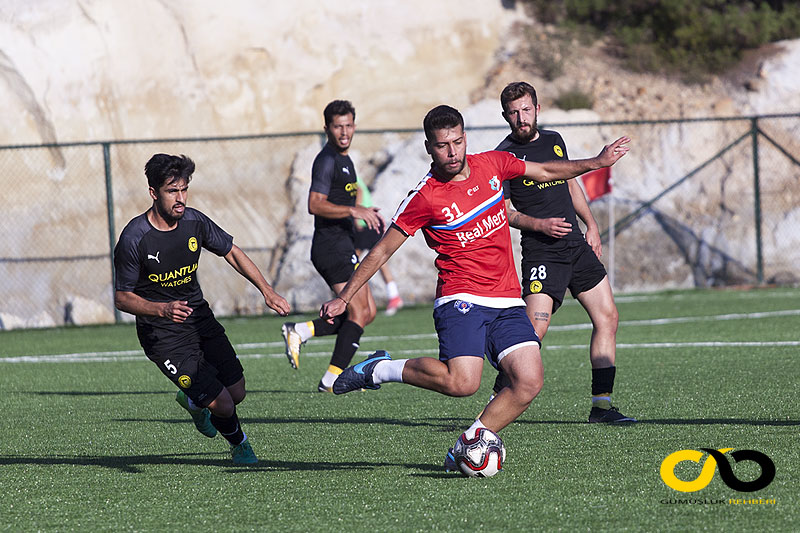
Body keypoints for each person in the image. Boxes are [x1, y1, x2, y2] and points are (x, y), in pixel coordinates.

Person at [320, 105, 629, 470]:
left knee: (529, 382)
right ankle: (381, 369)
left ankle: (469, 443)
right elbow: (383, 248)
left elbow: (546, 170)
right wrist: (345, 296)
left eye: (457, 141)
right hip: (460, 296)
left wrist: (595, 161)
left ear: (465, 138)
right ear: (428, 148)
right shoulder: (425, 196)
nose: (452, 152)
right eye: (442, 145)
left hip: (507, 300)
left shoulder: (493, 164)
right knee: (462, 383)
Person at [113, 153, 290, 465]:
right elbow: (122, 298)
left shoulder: (194, 222)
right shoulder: (134, 238)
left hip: (199, 319)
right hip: (163, 334)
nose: (180, 199)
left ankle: (194, 402)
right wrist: (162, 309)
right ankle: (240, 445)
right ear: (154, 193)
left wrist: (267, 290)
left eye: (184, 190)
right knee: (223, 404)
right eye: (172, 191)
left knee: (237, 393)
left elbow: (231, 252)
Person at [487, 81, 635, 424]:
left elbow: (571, 182)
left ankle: (601, 406)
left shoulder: (554, 141)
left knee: (607, 317)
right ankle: (499, 396)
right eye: (514, 113)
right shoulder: (503, 156)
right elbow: (504, 212)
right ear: (506, 116)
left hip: (575, 248)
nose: (521, 118)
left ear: (537, 109)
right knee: (532, 333)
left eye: (526, 110)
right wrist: (539, 225)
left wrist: (592, 224)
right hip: (542, 254)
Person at [281, 100, 384, 392]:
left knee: (368, 312)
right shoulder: (326, 160)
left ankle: (302, 330)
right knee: (359, 312)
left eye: (349, 125)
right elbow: (315, 204)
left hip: (343, 244)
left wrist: (364, 211)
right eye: (338, 126)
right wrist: (353, 211)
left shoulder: (345, 160)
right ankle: (331, 380)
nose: (344, 132)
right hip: (331, 247)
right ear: (327, 128)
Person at [353, 174, 404, 315]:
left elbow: (360, 192)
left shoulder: (350, 175)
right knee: (377, 260)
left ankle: (354, 298)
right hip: (370, 221)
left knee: (354, 259)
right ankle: (393, 295)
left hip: (366, 222)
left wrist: (357, 216)